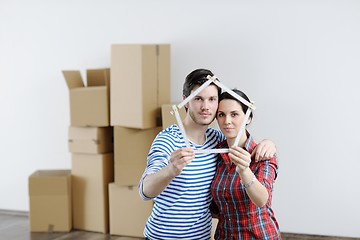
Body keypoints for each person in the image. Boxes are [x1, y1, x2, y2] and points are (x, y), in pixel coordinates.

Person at [138, 69, 277, 240]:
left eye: (212, 99)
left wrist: (269, 143)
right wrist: (171, 170)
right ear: (186, 102)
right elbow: (145, 191)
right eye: (198, 98)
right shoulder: (167, 140)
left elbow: (242, 140)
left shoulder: (217, 141)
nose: (205, 106)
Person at [211, 89, 281, 239]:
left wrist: (244, 170)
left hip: (258, 235)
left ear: (247, 117)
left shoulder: (263, 154)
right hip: (224, 235)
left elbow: (262, 200)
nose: (227, 121)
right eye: (221, 114)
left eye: (234, 114)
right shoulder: (215, 153)